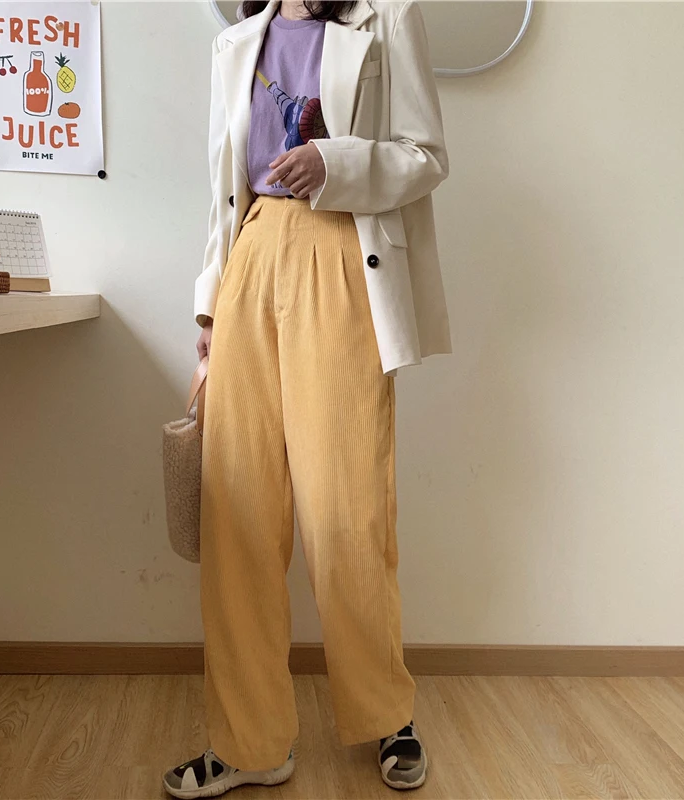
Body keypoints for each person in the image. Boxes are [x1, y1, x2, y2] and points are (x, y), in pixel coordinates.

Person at [163, 0, 449, 795]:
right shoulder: (237, 42)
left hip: (343, 254)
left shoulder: (387, 18)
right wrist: (210, 311)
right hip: (252, 261)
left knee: (347, 509)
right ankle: (250, 740)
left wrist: (337, 162)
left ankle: (386, 714)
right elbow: (223, 190)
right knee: (239, 515)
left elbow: (427, 154)